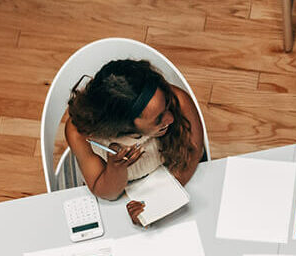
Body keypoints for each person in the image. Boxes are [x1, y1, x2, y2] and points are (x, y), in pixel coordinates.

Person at [65, 58, 205, 225]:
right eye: (158, 119)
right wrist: (116, 168)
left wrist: (157, 204)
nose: (171, 118)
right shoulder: (79, 133)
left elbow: (192, 154)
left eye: (167, 105)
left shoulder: (178, 100)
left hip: (174, 179)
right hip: (121, 198)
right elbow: (107, 194)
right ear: (123, 126)